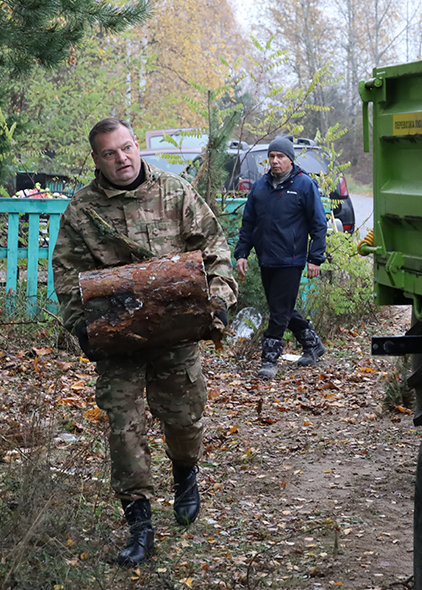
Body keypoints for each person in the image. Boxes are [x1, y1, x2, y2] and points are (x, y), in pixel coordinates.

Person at [52, 118, 237, 566]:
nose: (122, 158)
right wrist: (82, 328)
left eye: (127, 147)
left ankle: (185, 474)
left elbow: (215, 250)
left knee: (184, 419)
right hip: (119, 342)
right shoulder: (82, 211)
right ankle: (140, 527)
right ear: (96, 159)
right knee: (124, 429)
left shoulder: (175, 192)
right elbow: (67, 277)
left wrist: (219, 300)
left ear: (137, 146)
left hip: (177, 334)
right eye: (110, 153)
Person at [234, 135, 328, 379]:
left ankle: (269, 359)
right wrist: (242, 253)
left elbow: (319, 224)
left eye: (280, 157)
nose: (275, 161)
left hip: (291, 259)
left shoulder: (304, 185)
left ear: (290, 159)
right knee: (282, 309)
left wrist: (315, 258)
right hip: (267, 258)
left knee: (278, 312)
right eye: (272, 157)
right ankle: (312, 344)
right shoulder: (260, 187)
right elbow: (249, 224)